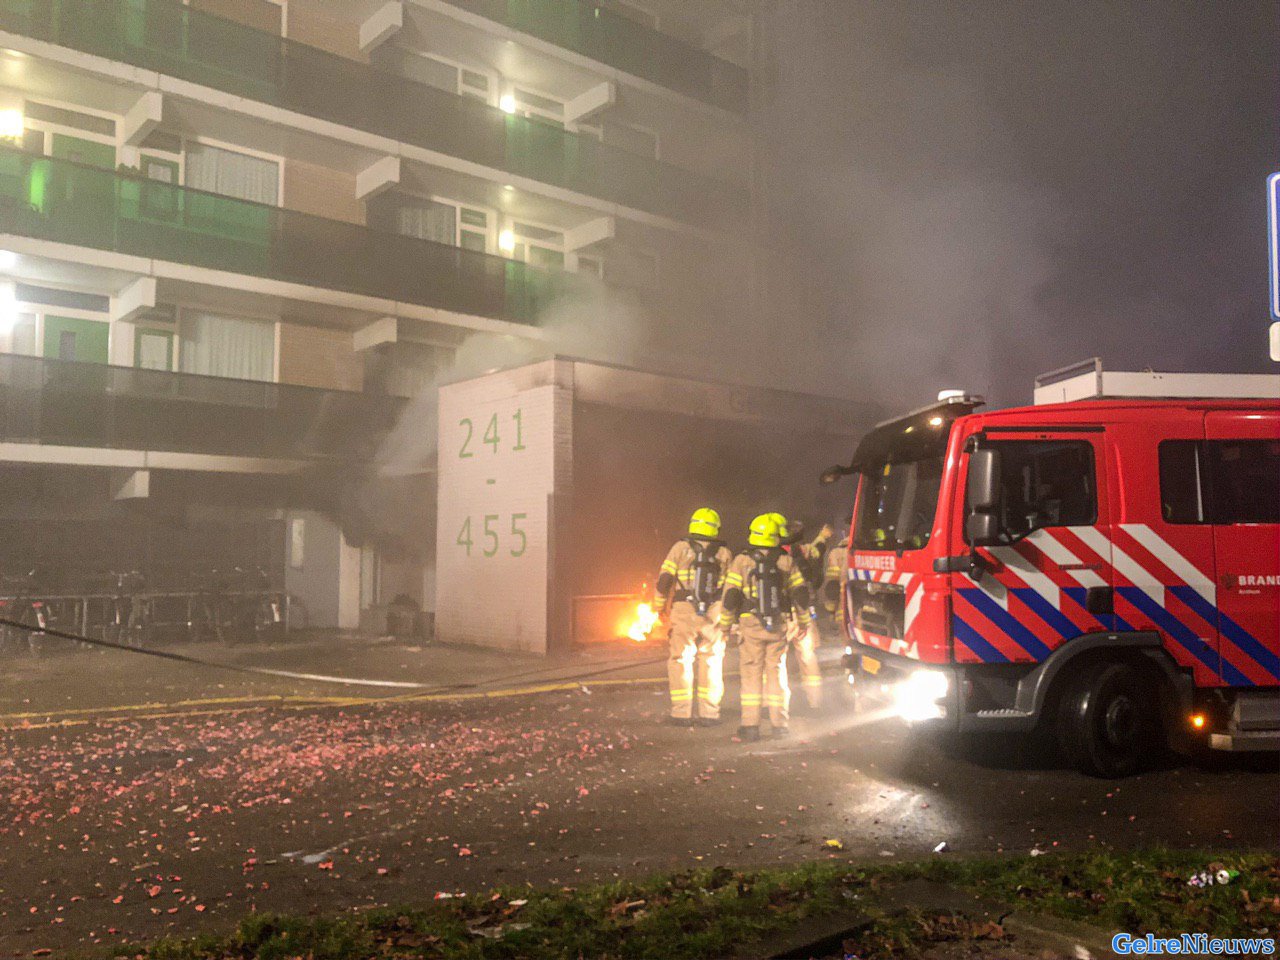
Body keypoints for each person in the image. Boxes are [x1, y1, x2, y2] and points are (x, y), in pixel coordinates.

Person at [718, 513, 814, 741]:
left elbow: (730, 596)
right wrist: (804, 622)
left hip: (750, 624)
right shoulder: (785, 560)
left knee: (751, 674)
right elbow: (800, 595)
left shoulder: (742, 561)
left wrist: (724, 627)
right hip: (778, 624)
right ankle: (780, 725)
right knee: (777, 673)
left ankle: (750, 726)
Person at [654, 508, 733, 727]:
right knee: (712, 659)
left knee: (681, 659)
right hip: (714, 611)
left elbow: (664, 580)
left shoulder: (680, 548)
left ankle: (681, 713)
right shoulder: (724, 553)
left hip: (684, 608)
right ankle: (709, 713)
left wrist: (660, 606)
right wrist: (728, 618)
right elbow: (731, 588)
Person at [780, 516, 830, 711]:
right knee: (808, 657)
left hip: (782, 613)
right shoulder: (804, 551)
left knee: (775, 659)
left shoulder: (774, 555)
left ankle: (775, 705)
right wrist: (823, 537)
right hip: (804, 609)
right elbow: (819, 550)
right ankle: (815, 702)